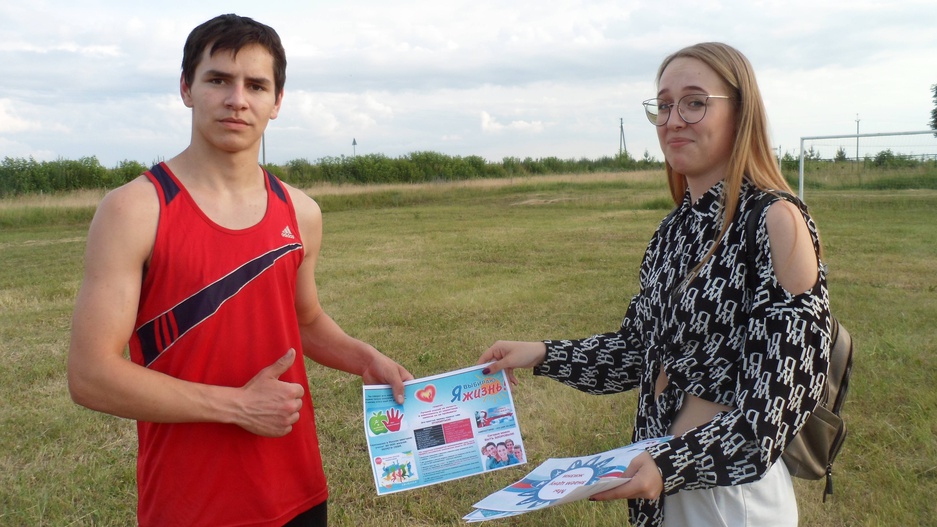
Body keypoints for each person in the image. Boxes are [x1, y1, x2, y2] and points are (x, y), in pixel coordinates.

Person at [66, 14, 413, 527]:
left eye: (256, 85)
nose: (237, 100)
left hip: (297, 490)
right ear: (186, 88)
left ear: (277, 101)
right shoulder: (135, 210)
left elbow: (305, 321)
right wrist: (237, 406)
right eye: (218, 80)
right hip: (190, 505)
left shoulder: (301, 212)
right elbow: (90, 375)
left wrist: (366, 358)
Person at [477, 42, 831, 527]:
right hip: (661, 481)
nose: (673, 120)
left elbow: (782, 400)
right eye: (664, 106)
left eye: (694, 102)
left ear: (740, 112)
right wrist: (540, 354)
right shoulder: (672, 230)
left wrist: (672, 465)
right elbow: (637, 352)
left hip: (728, 497)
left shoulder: (774, 219)